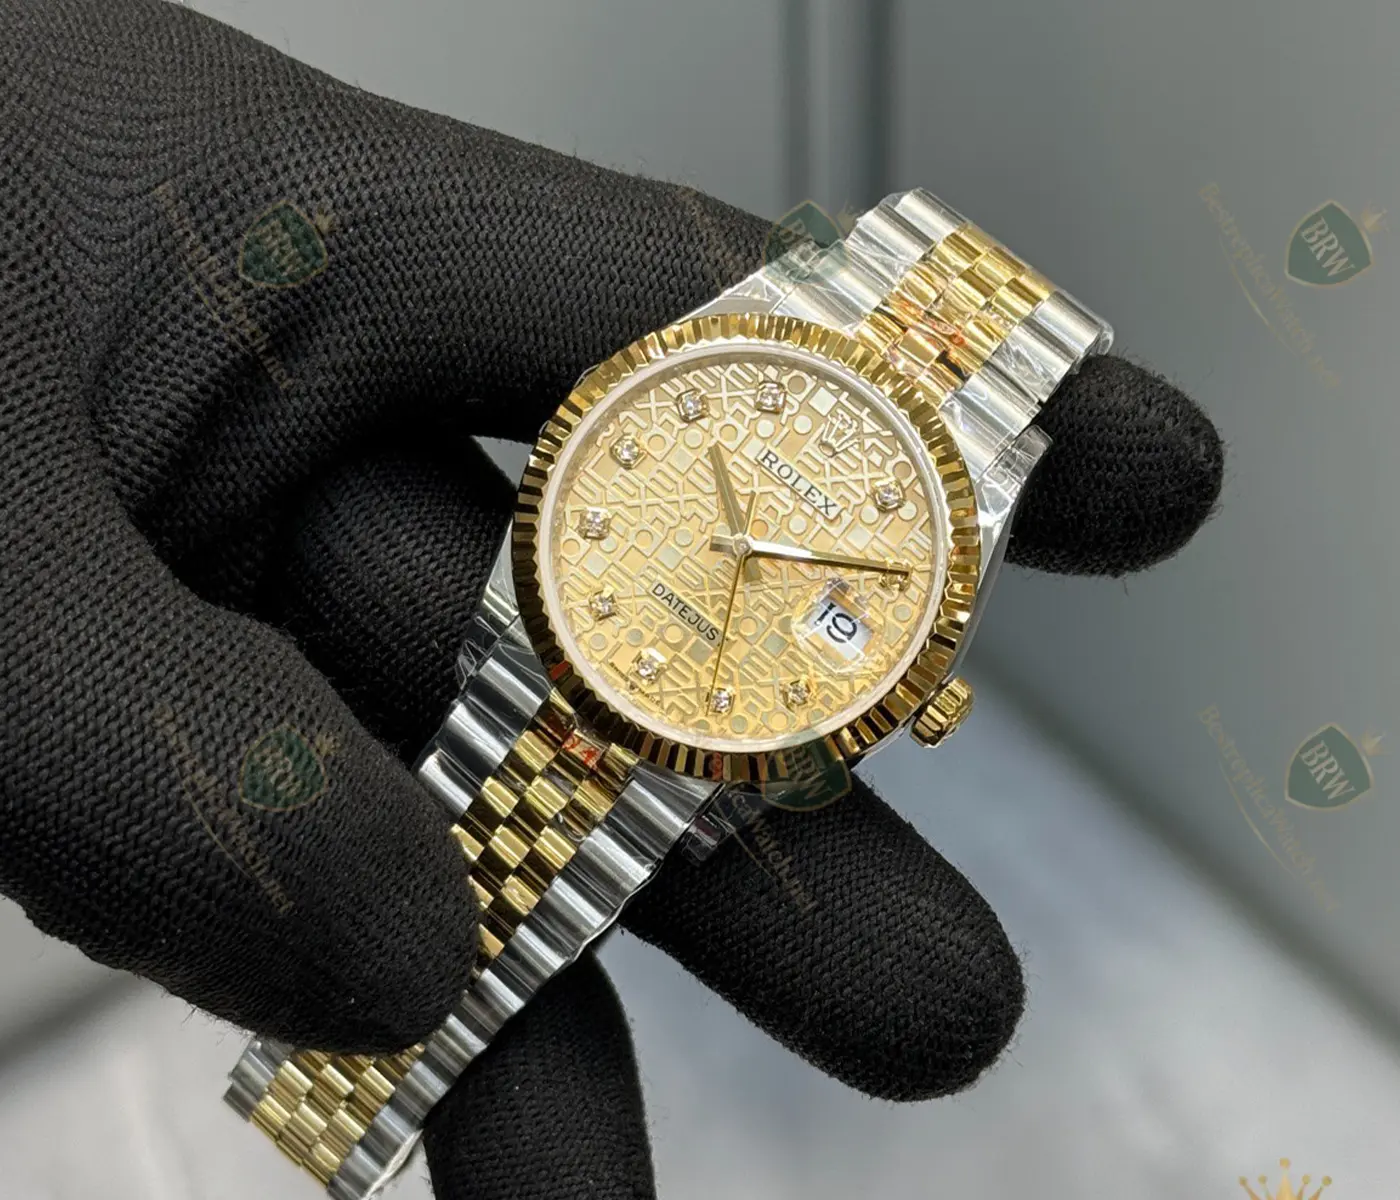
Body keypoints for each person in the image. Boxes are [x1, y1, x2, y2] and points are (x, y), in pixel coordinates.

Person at [0, 2, 1223, 1196]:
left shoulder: (963, 504)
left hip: (684, 714)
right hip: (542, 631)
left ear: (913, 688)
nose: (747, 548)